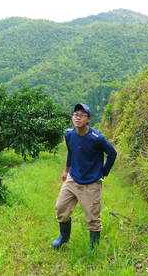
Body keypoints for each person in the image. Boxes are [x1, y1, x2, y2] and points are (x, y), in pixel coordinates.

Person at [51, 103, 117, 251]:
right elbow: (71, 151)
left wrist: (103, 172)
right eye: (75, 114)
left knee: (92, 218)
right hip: (73, 178)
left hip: (91, 183)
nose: (78, 117)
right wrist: (67, 170)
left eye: (82, 115)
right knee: (60, 208)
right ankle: (64, 237)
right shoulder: (69, 134)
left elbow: (112, 153)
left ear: (88, 119)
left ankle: (93, 247)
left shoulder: (97, 138)